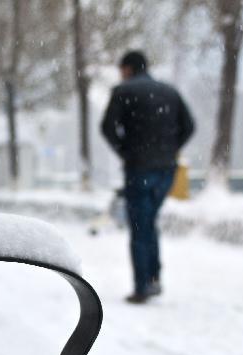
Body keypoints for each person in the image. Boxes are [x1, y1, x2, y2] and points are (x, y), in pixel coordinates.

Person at [101, 50, 195, 304]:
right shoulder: (169, 92)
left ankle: (143, 286)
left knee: (140, 225)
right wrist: (170, 150)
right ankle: (153, 278)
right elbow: (189, 126)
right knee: (149, 221)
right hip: (166, 169)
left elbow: (107, 127)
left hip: (139, 168)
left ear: (128, 69)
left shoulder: (123, 91)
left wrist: (126, 151)